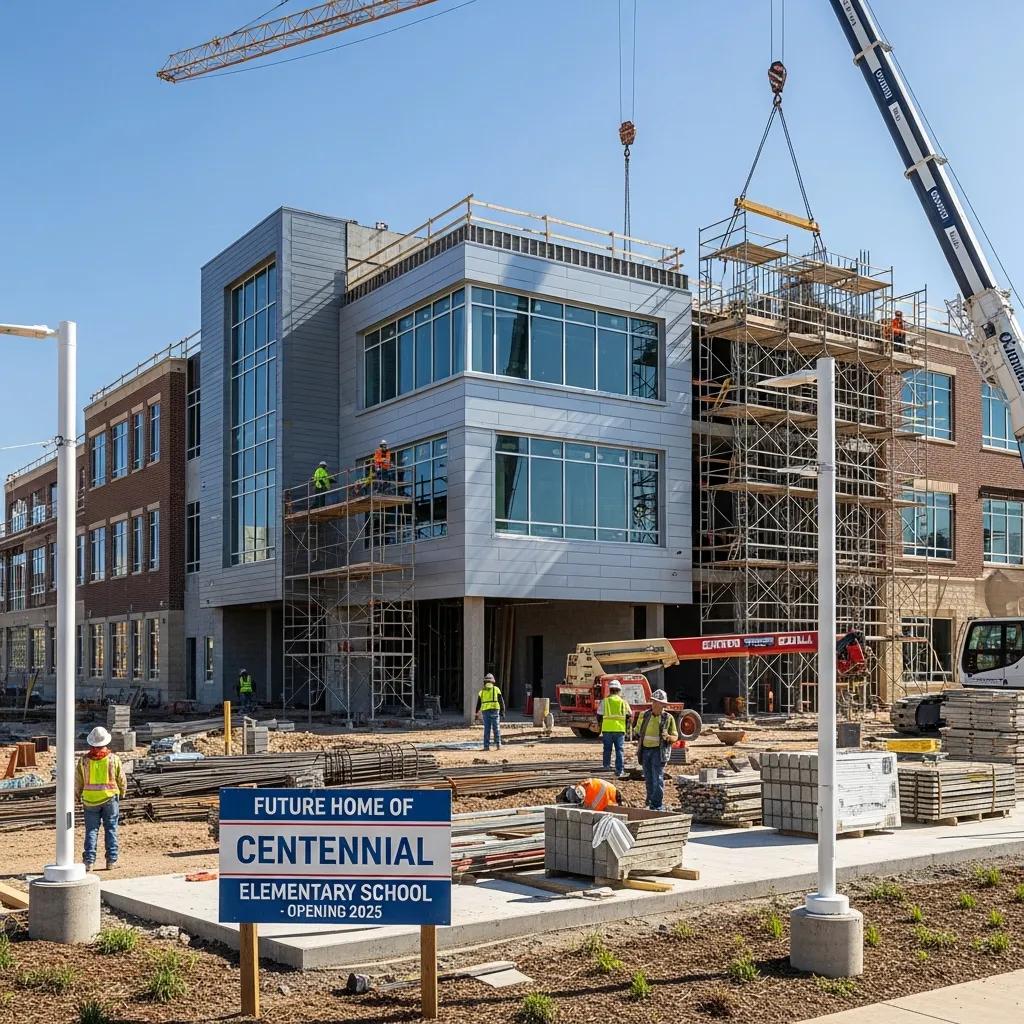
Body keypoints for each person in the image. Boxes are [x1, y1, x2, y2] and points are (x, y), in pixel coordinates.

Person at [75, 726, 127, 871]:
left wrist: (77, 796)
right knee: (111, 829)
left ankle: (88, 862)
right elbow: (121, 779)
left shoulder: (84, 761)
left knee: (91, 830)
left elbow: (78, 781)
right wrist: (122, 793)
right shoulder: (113, 759)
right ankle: (111, 861)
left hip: (89, 800)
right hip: (110, 798)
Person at [634, 689, 679, 812]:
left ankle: (657, 804)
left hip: (658, 752)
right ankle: (650, 802)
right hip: (645, 751)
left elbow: (675, 736)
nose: (656, 705)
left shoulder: (667, 718)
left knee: (657, 778)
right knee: (648, 778)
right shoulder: (645, 715)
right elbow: (637, 731)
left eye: (659, 703)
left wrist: (669, 738)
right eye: (654, 702)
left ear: (663, 705)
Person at [597, 678, 631, 780]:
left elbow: (599, 715)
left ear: (610, 690)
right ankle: (619, 770)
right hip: (620, 730)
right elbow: (629, 715)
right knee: (619, 750)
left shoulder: (605, 701)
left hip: (607, 729)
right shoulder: (623, 702)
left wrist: (600, 724)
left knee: (607, 749)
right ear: (619, 690)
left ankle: (606, 766)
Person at [474, 672, 505, 751]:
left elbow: (478, 704)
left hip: (485, 712)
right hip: (495, 710)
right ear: (492, 681)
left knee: (487, 729)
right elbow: (501, 701)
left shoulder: (481, 692)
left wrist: (476, 713)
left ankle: (486, 746)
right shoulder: (496, 689)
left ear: (485, 682)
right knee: (496, 728)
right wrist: (502, 711)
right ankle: (498, 745)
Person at [557, 778, 623, 812]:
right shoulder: (582, 785)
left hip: (614, 796)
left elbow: (591, 813)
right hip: (610, 789)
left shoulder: (594, 802)